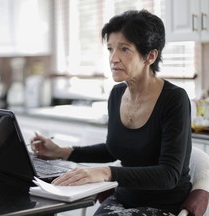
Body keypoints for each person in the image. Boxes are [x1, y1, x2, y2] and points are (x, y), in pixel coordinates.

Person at [30, 10, 192, 216]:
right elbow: (114, 149)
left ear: (150, 56)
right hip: (124, 199)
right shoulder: (117, 94)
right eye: (110, 49)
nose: (113, 58)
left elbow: (169, 175)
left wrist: (106, 172)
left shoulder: (174, 99)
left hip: (164, 206)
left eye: (124, 49)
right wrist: (61, 151)